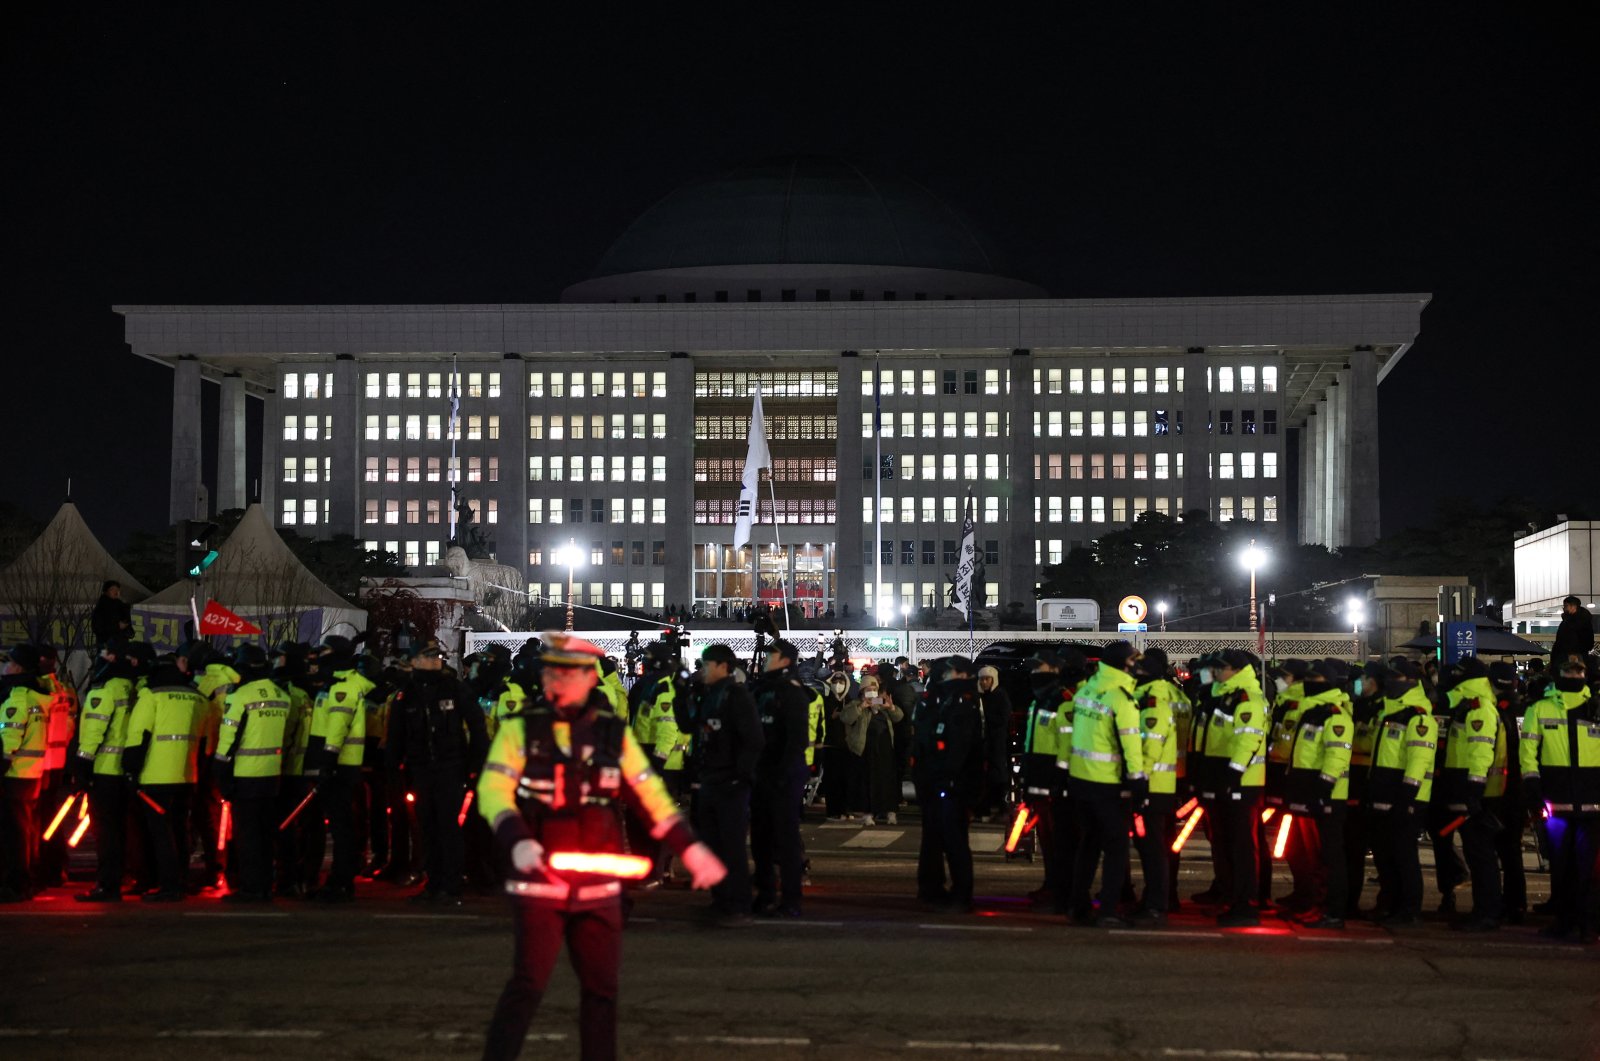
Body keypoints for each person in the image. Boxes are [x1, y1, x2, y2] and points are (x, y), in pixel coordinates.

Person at [476, 633, 726, 1060]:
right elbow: (493, 791)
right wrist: (517, 841)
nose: (558, 679)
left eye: (569, 671)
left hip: (598, 889)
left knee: (601, 992)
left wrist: (691, 848)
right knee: (528, 985)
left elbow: (653, 800)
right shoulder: (520, 730)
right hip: (540, 885)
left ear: (590, 678)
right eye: (552, 670)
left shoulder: (614, 735)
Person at [388, 642, 489, 905]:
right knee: (428, 827)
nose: (434, 661)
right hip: (421, 769)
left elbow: (477, 726)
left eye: (436, 657)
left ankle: (450, 885)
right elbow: (396, 735)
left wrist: (475, 765)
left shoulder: (454, 689)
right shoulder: (407, 694)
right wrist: (394, 768)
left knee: (448, 827)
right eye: (427, 657)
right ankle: (433, 883)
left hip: (450, 767)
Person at [675, 643, 763, 923]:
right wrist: (681, 694)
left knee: (731, 845)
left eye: (707, 665)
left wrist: (740, 775)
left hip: (729, 782)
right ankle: (721, 898)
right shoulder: (709, 694)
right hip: (709, 778)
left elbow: (753, 739)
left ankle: (738, 901)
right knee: (710, 843)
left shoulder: (736, 696)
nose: (703, 671)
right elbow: (689, 727)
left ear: (723, 666)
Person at [1066, 641, 1146, 927]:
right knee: (1116, 849)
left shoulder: (1087, 689)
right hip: (1107, 783)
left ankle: (1078, 906)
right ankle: (1108, 910)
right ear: (1123, 663)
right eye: (1133, 660)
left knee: (1088, 845)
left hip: (1080, 779)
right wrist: (1138, 780)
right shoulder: (1121, 697)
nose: (1137, 665)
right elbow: (1131, 742)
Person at [1520, 656, 1598, 942]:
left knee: (1586, 868)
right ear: (1559, 673)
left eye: (1579, 670)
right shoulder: (1540, 708)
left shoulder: (1596, 708)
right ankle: (1566, 921)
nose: (1574, 675)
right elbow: (1527, 752)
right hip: (1556, 801)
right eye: (1569, 670)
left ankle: (1585, 923)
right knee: (1562, 867)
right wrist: (1532, 785)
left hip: (1591, 803)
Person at [121, 650, 207, 901]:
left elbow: (138, 737)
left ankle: (168, 885)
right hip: (187, 775)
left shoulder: (151, 695)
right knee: (181, 830)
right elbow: (204, 740)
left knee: (161, 834)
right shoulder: (197, 697)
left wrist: (130, 771)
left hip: (155, 776)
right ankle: (180, 879)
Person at [213, 644, 291, 902]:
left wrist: (221, 774)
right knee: (266, 834)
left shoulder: (239, 696)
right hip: (272, 776)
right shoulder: (281, 695)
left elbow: (228, 740)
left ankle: (251, 888)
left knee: (248, 837)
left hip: (245, 776)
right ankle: (266, 884)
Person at [1364, 659, 1436, 926]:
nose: (1391, 682)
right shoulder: (1388, 712)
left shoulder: (1418, 716)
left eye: (1397, 677)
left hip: (1405, 797)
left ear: (1410, 682)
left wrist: (1408, 796)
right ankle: (1389, 903)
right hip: (1383, 793)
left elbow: (1419, 760)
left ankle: (1409, 908)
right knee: (1384, 855)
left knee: (1404, 855)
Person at [304, 636, 376, 902]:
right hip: (338, 766)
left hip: (339, 767)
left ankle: (340, 882)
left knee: (341, 827)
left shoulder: (342, 686)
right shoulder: (336, 683)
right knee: (342, 825)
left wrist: (327, 762)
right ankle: (340, 880)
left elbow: (337, 727)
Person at [1285, 659, 1355, 928]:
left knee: (1330, 857)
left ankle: (1334, 911)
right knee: (1314, 856)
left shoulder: (1334, 714)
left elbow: (1337, 756)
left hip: (1328, 796)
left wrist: (1324, 788)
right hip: (1309, 794)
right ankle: (1319, 906)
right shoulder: (1312, 711)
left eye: (1312, 681)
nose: (1306, 686)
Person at [912, 656, 985, 912]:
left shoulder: (963, 704)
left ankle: (960, 895)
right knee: (934, 838)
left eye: (952, 673)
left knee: (954, 841)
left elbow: (963, 749)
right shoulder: (939, 701)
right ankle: (932, 887)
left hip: (953, 785)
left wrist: (952, 780)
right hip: (935, 781)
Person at [1437, 656, 1504, 930]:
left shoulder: (1478, 707)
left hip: (1474, 793)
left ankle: (1487, 913)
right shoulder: (1467, 704)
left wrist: (1474, 790)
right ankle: (1483, 910)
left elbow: (1480, 751)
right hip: (1465, 790)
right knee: (1476, 855)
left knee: (1481, 855)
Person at [73, 641, 141, 901]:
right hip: (126, 771)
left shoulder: (103, 690)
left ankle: (107, 885)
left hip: (104, 771)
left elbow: (93, 732)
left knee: (106, 832)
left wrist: (82, 764)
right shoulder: (134, 688)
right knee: (122, 829)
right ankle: (122, 875)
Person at [749, 638, 812, 917]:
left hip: (783, 774)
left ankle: (791, 898)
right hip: (762, 772)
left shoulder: (791, 691)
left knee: (785, 839)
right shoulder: (764, 688)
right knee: (761, 839)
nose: (765, 659)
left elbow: (796, 739)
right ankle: (764, 893)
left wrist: (783, 774)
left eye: (771, 656)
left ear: (785, 660)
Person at [1208, 648, 1270, 927]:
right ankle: (1235, 898)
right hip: (1230, 780)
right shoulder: (1228, 694)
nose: (1217, 673)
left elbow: (1248, 739)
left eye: (1222, 668)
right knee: (1231, 844)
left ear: (1235, 670)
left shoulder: (1248, 698)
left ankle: (1245, 905)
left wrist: (1233, 774)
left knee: (1242, 847)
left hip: (1243, 783)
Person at [1132, 648, 1184, 925]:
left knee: (1153, 849)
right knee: (1161, 847)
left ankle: (1156, 904)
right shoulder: (1175, 695)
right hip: (1170, 779)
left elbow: (1150, 743)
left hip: (1154, 782)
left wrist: (1137, 777)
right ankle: (1161, 899)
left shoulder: (1153, 700)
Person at [0, 644, 51, 902]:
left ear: (18, 667)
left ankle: (17, 884)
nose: (5, 668)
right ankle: (27, 879)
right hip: (34, 773)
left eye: (8, 663)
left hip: (15, 774)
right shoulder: (40, 696)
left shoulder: (18, 696)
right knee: (26, 830)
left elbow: (9, 737)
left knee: (14, 834)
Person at [842, 672, 903, 825]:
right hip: (865, 748)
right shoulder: (856, 704)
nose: (871, 692)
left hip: (884, 747)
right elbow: (846, 717)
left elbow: (899, 717)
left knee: (887, 780)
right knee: (866, 781)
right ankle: (868, 813)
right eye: (868, 689)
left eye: (874, 689)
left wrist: (891, 707)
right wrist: (862, 706)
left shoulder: (881, 703)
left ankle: (890, 811)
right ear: (862, 691)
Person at [975, 665, 1012, 821]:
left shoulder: (999, 695)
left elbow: (1003, 719)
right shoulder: (980, 696)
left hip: (997, 742)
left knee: (998, 776)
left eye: (987, 679)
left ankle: (1003, 809)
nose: (984, 682)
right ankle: (984, 809)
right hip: (984, 742)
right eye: (981, 679)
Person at [1552, 596, 1596, 668]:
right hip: (1571, 657)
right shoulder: (1575, 621)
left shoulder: (1578, 622)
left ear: (1573, 607)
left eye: (1566, 606)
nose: (1564, 608)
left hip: (1572, 658)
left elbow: (1586, 641)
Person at [90, 580, 132, 648]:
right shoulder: (101, 606)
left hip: (120, 643)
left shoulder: (120, 605)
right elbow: (97, 627)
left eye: (117, 589)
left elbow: (127, 619)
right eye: (112, 589)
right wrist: (117, 626)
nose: (116, 592)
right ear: (106, 591)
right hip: (106, 643)